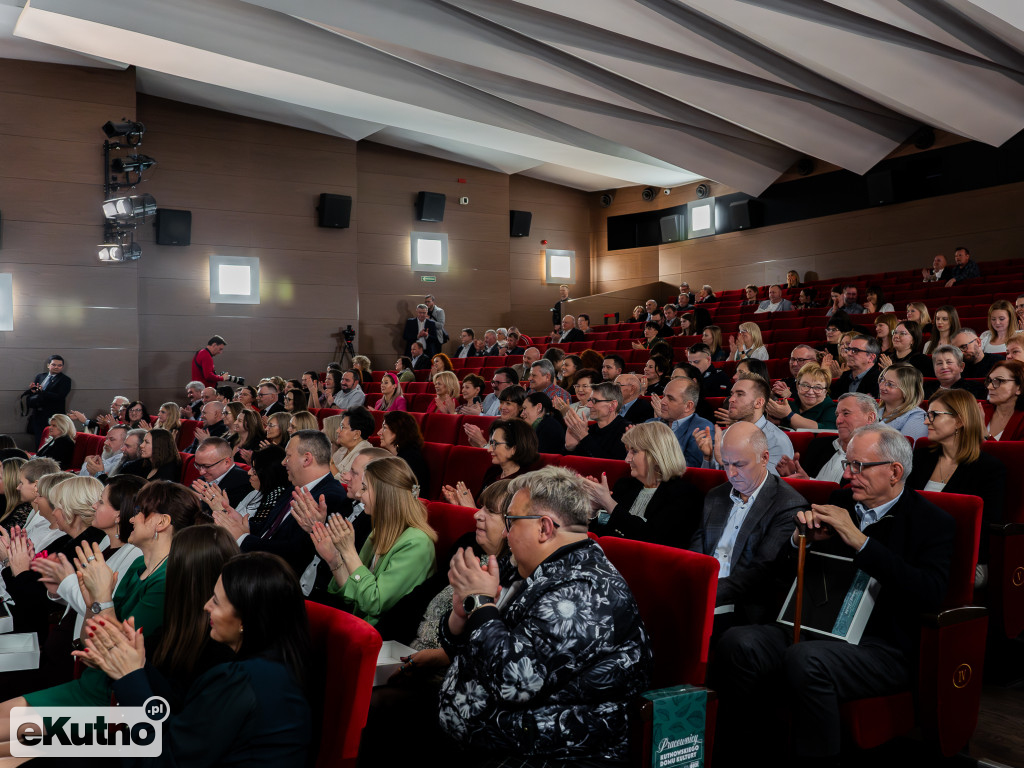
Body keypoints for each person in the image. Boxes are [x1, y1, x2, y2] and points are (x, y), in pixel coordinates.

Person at [713, 425, 954, 765]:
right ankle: (750, 752)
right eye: (847, 464)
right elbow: (787, 568)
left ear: (895, 471)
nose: (847, 474)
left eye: (858, 466)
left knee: (806, 659)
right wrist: (800, 541)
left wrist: (859, 540)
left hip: (880, 645)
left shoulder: (931, 522)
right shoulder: (840, 500)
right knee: (739, 642)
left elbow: (929, 593)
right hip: (813, 625)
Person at [438, 466, 653, 765]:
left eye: (511, 522)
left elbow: (513, 682)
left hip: (551, 757)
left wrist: (482, 605)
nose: (504, 532)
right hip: (496, 745)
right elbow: (471, 653)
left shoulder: (584, 592)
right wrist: (462, 617)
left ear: (544, 528)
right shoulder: (528, 568)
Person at [82, 552, 313, 767]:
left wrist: (130, 677)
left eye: (216, 600)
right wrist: (139, 665)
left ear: (245, 618)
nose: (206, 606)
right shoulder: (274, 670)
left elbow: (163, 758)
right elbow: (185, 717)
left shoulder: (240, 681)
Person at [0, 480, 203, 719]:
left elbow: (116, 649)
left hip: (114, 700)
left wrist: (96, 598)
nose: (131, 518)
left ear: (161, 522)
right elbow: (90, 638)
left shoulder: (164, 578)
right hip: (90, 678)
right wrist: (90, 601)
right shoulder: (141, 563)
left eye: (139, 512)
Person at [689, 421, 809, 632]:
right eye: (726, 464)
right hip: (702, 594)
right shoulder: (716, 496)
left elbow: (760, 572)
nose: (731, 473)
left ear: (764, 458)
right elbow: (696, 553)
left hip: (744, 607)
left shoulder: (788, 504)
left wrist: (705, 593)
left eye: (739, 464)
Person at [312, 456, 437, 626]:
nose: (358, 494)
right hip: (357, 623)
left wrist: (348, 551)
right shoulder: (381, 530)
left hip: (385, 634)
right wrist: (334, 559)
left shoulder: (417, 543)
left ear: (384, 494)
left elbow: (374, 603)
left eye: (364, 488)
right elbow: (353, 595)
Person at [219, 430, 350, 579]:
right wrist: (241, 523)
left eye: (288, 456)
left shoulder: (330, 498)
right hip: (259, 566)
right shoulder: (294, 486)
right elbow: (269, 528)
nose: (283, 462)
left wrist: (243, 539)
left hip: (277, 578)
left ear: (307, 459)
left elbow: (296, 552)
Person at [909, 389, 1005, 585]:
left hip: (964, 557)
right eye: (927, 415)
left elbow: (984, 530)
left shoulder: (988, 468)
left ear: (960, 421)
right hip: (915, 548)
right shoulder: (921, 457)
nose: (926, 421)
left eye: (934, 415)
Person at [586, 421, 703, 548]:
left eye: (634, 451)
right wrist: (593, 510)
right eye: (628, 451)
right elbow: (601, 537)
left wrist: (608, 503)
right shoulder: (624, 485)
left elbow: (652, 540)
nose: (627, 459)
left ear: (656, 455)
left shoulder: (685, 494)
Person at [695, 372, 793, 475]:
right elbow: (711, 483)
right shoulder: (724, 434)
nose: (731, 399)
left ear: (759, 403)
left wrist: (724, 463)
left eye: (740, 394)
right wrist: (708, 457)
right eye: (731, 394)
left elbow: (766, 486)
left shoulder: (776, 441)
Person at [777, 392, 878, 483]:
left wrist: (809, 483)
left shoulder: (878, 457)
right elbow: (803, 482)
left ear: (870, 418)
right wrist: (793, 476)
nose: (838, 420)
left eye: (846, 413)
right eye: (837, 415)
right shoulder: (818, 445)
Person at [648, 377, 713, 469]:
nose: (662, 402)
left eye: (670, 398)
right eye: (663, 396)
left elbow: (689, 469)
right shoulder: (650, 424)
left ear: (688, 406)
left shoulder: (701, 428)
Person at [564, 381, 628, 460]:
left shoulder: (627, 431)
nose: (588, 405)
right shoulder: (589, 429)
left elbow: (612, 465)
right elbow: (578, 463)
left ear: (612, 405)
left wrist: (583, 436)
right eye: (589, 400)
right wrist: (570, 447)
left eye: (594, 401)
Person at [765, 363, 837, 430]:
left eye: (818, 387)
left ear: (826, 390)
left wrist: (788, 415)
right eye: (805, 385)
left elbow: (823, 430)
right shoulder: (789, 405)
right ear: (797, 386)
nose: (810, 392)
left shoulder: (834, 409)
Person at [26, 354, 72, 447]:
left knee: (50, 442)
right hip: (37, 415)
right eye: (54, 365)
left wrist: (42, 392)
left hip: (53, 416)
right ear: (48, 365)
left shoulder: (65, 380)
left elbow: (60, 396)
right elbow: (36, 393)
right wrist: (32, 391)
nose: (56, 367)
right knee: (38, 441)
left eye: (59, 365)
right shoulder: (40, 376)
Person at [379, 411, 430, 494]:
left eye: (384, 428)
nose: (379, 432)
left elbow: (415, 494)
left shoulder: (412, 460)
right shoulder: (402, 457)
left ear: (397, 431)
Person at [877, 364, 928, 442]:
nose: (881, 387)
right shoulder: (873, 408)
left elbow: (904, 451)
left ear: (906, 390)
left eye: (890, 384)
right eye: (882, 380)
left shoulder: (916, 416)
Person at [982, 360, 1024, 441]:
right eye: (990, 381)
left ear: (1019, 387)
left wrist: (984, 434)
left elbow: (1014, 453)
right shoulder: (980, 409)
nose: (989, 387)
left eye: (999, 381)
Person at [830, 333, 881, 398]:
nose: (849, 353)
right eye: (848, 349)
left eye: (855, 350)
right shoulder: (844, 377)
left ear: (871, 358)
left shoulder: (880, 381)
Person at [332, 407, 375, 478]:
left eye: (343, 427)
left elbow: (346, 483)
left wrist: (330, 463)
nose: (337, 430)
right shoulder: (342, 450)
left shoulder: (364, 456)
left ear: (357, 434)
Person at [520, 391, 566, 455]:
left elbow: (540, 459)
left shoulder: (549, 427)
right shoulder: (545, 424)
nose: (521, 414)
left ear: (539, 407)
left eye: (524, 408)